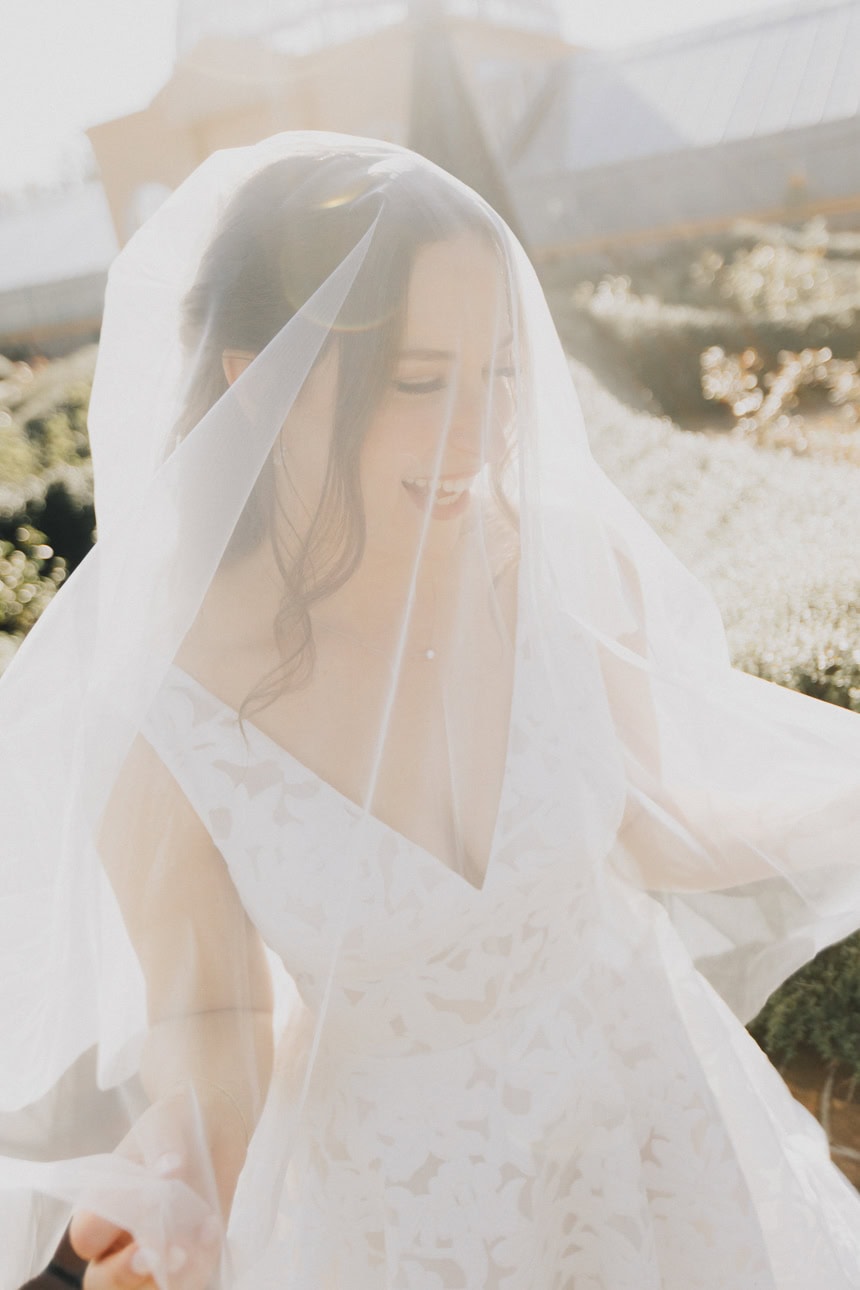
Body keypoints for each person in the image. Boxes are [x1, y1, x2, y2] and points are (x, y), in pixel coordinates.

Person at [2, 132, 860, 1290]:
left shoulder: (556, 564)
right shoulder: (168, 709)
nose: (483, 430)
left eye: (499, 371)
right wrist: (187, 1180)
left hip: (654, 1136)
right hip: (410, 1220)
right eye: (418, 381)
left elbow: (663, 824)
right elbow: (212, 1021)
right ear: (256, 381)